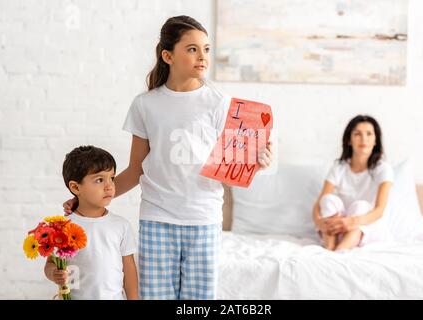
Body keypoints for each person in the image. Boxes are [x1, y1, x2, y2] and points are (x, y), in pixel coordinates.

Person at [63, 15, 273, 299]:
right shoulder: (145, 105)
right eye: (192, 48)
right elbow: (136, 169)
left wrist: (254, 166)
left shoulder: (220, 104)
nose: (202, 56)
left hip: (204, 219)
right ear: (167, 55)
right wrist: (84, 201)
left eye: (206, 49)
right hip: (156, 219)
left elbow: (230, 171)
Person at [46, 145, 138, 299]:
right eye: (99, 180)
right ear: (75, 187)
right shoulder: (64, 227)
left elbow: (129, 272)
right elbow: (50, 264)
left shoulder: (121, 225)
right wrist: (54, 274)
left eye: (112, 178)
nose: (109, 186)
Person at [312, 115, 394, 251]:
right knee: (328, 200)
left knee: (360, 206)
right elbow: (319, 203)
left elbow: (379, 211)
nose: (364, 139)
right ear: (349, 140)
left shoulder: (383, 169)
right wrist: (320, 222)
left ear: (375, 141)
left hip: (367, 225)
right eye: (357, 134)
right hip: (341, 226)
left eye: (369, 134)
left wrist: (351, 222)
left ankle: (339, 251)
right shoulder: (339, 167)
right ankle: (330, 248)